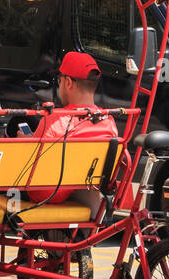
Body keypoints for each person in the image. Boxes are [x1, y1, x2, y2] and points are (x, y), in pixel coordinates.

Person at [25, 51, 118, 217]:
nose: (59, 85)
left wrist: (23, 142)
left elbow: (30, 164)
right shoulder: (109, 122)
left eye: (59, 80)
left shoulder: (54, 121)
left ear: (68, 82)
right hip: (80, 190)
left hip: (42, 195)